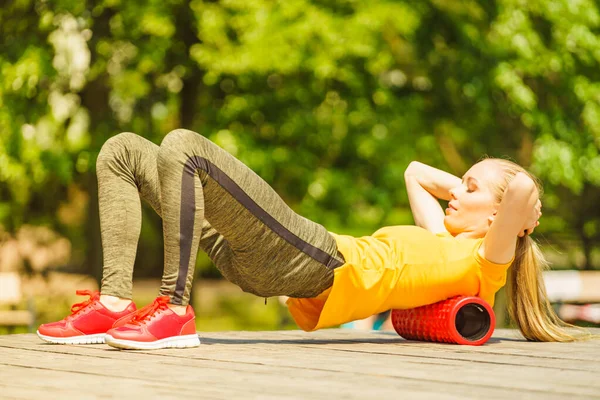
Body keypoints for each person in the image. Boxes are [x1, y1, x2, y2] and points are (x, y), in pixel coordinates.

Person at [37, 129, 578, 350]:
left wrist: (507, 208)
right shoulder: (443, 236)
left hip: (313, 257)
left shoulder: (484, 264)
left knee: (184, 146)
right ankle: (112, 301)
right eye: (458, 185)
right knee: (124, 150)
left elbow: (524, 188)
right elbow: (414, 171)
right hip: (269, 263)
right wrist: (468, 187)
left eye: (470, 187)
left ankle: (174, 308)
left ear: (508, 221)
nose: (455, 192)